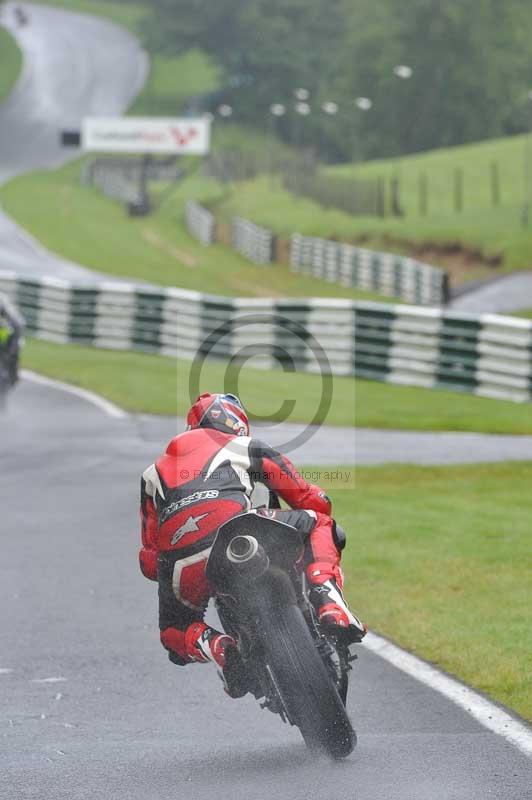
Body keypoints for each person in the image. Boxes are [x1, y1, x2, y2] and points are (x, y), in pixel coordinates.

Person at [139, 392, 366, 694]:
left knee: (173, 632)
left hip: (180, 560)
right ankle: (330, 604)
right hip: (237, 528)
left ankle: (218, 647)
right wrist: (323, 500)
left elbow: (149, 562)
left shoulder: (152, 473)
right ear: (238, 423)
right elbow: (308, 499)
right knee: (320, 523)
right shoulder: (244, 445)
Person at [0, 294, 23, 389]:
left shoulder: (2, 300)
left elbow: (17, 323)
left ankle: (13, 374)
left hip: (7, 334)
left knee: (14, 349)